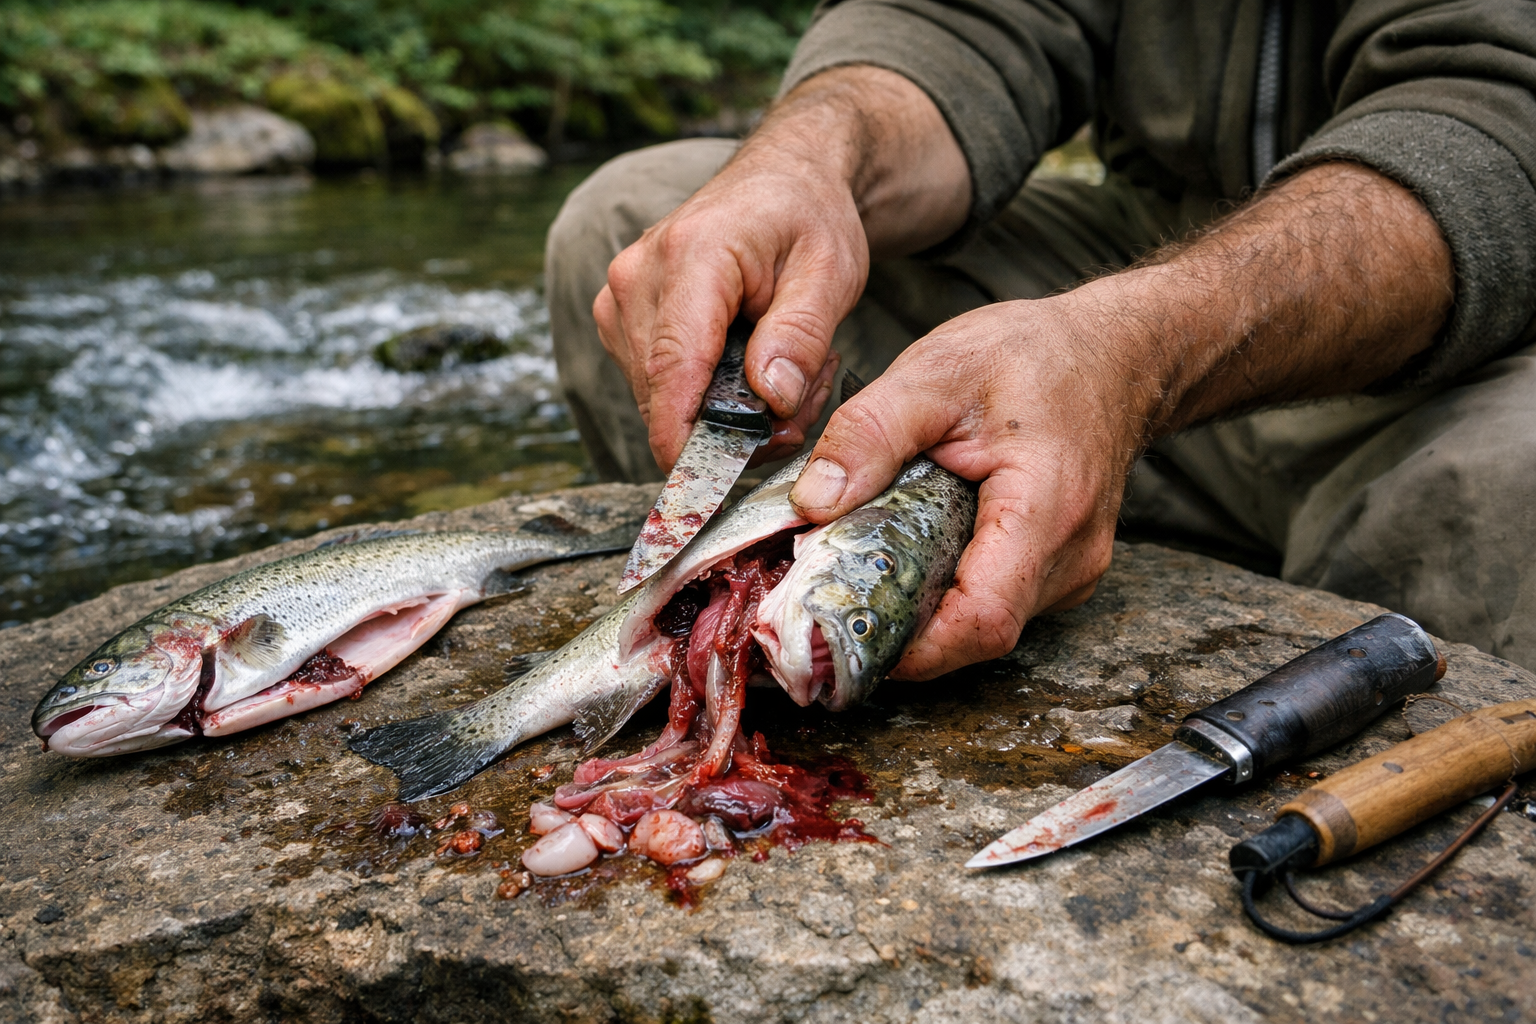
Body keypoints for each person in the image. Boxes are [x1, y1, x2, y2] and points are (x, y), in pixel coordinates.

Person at [547, 0, 1536, 676]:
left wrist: (1135, 351)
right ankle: (740, 630)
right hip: (1156, 253)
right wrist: (814, 153)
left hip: (1474, 339)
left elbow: (1494, 134)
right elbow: (957, 25)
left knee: (1514, 487)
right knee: (643, 228)